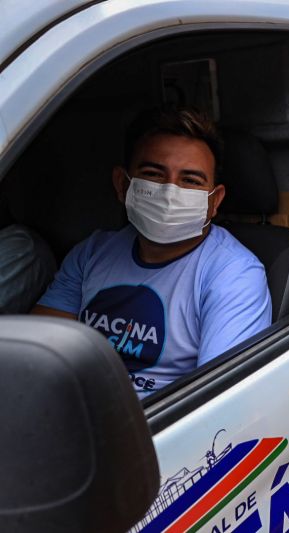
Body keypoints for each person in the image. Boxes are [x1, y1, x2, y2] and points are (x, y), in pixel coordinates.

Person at [33, 107, 272, 398]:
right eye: (154, 174)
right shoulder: (93, 252)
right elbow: (37, 353)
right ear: (123, 184)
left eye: (191, 180)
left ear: (214, 201)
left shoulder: (234, 275)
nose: (170, 193)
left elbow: (218, 402)